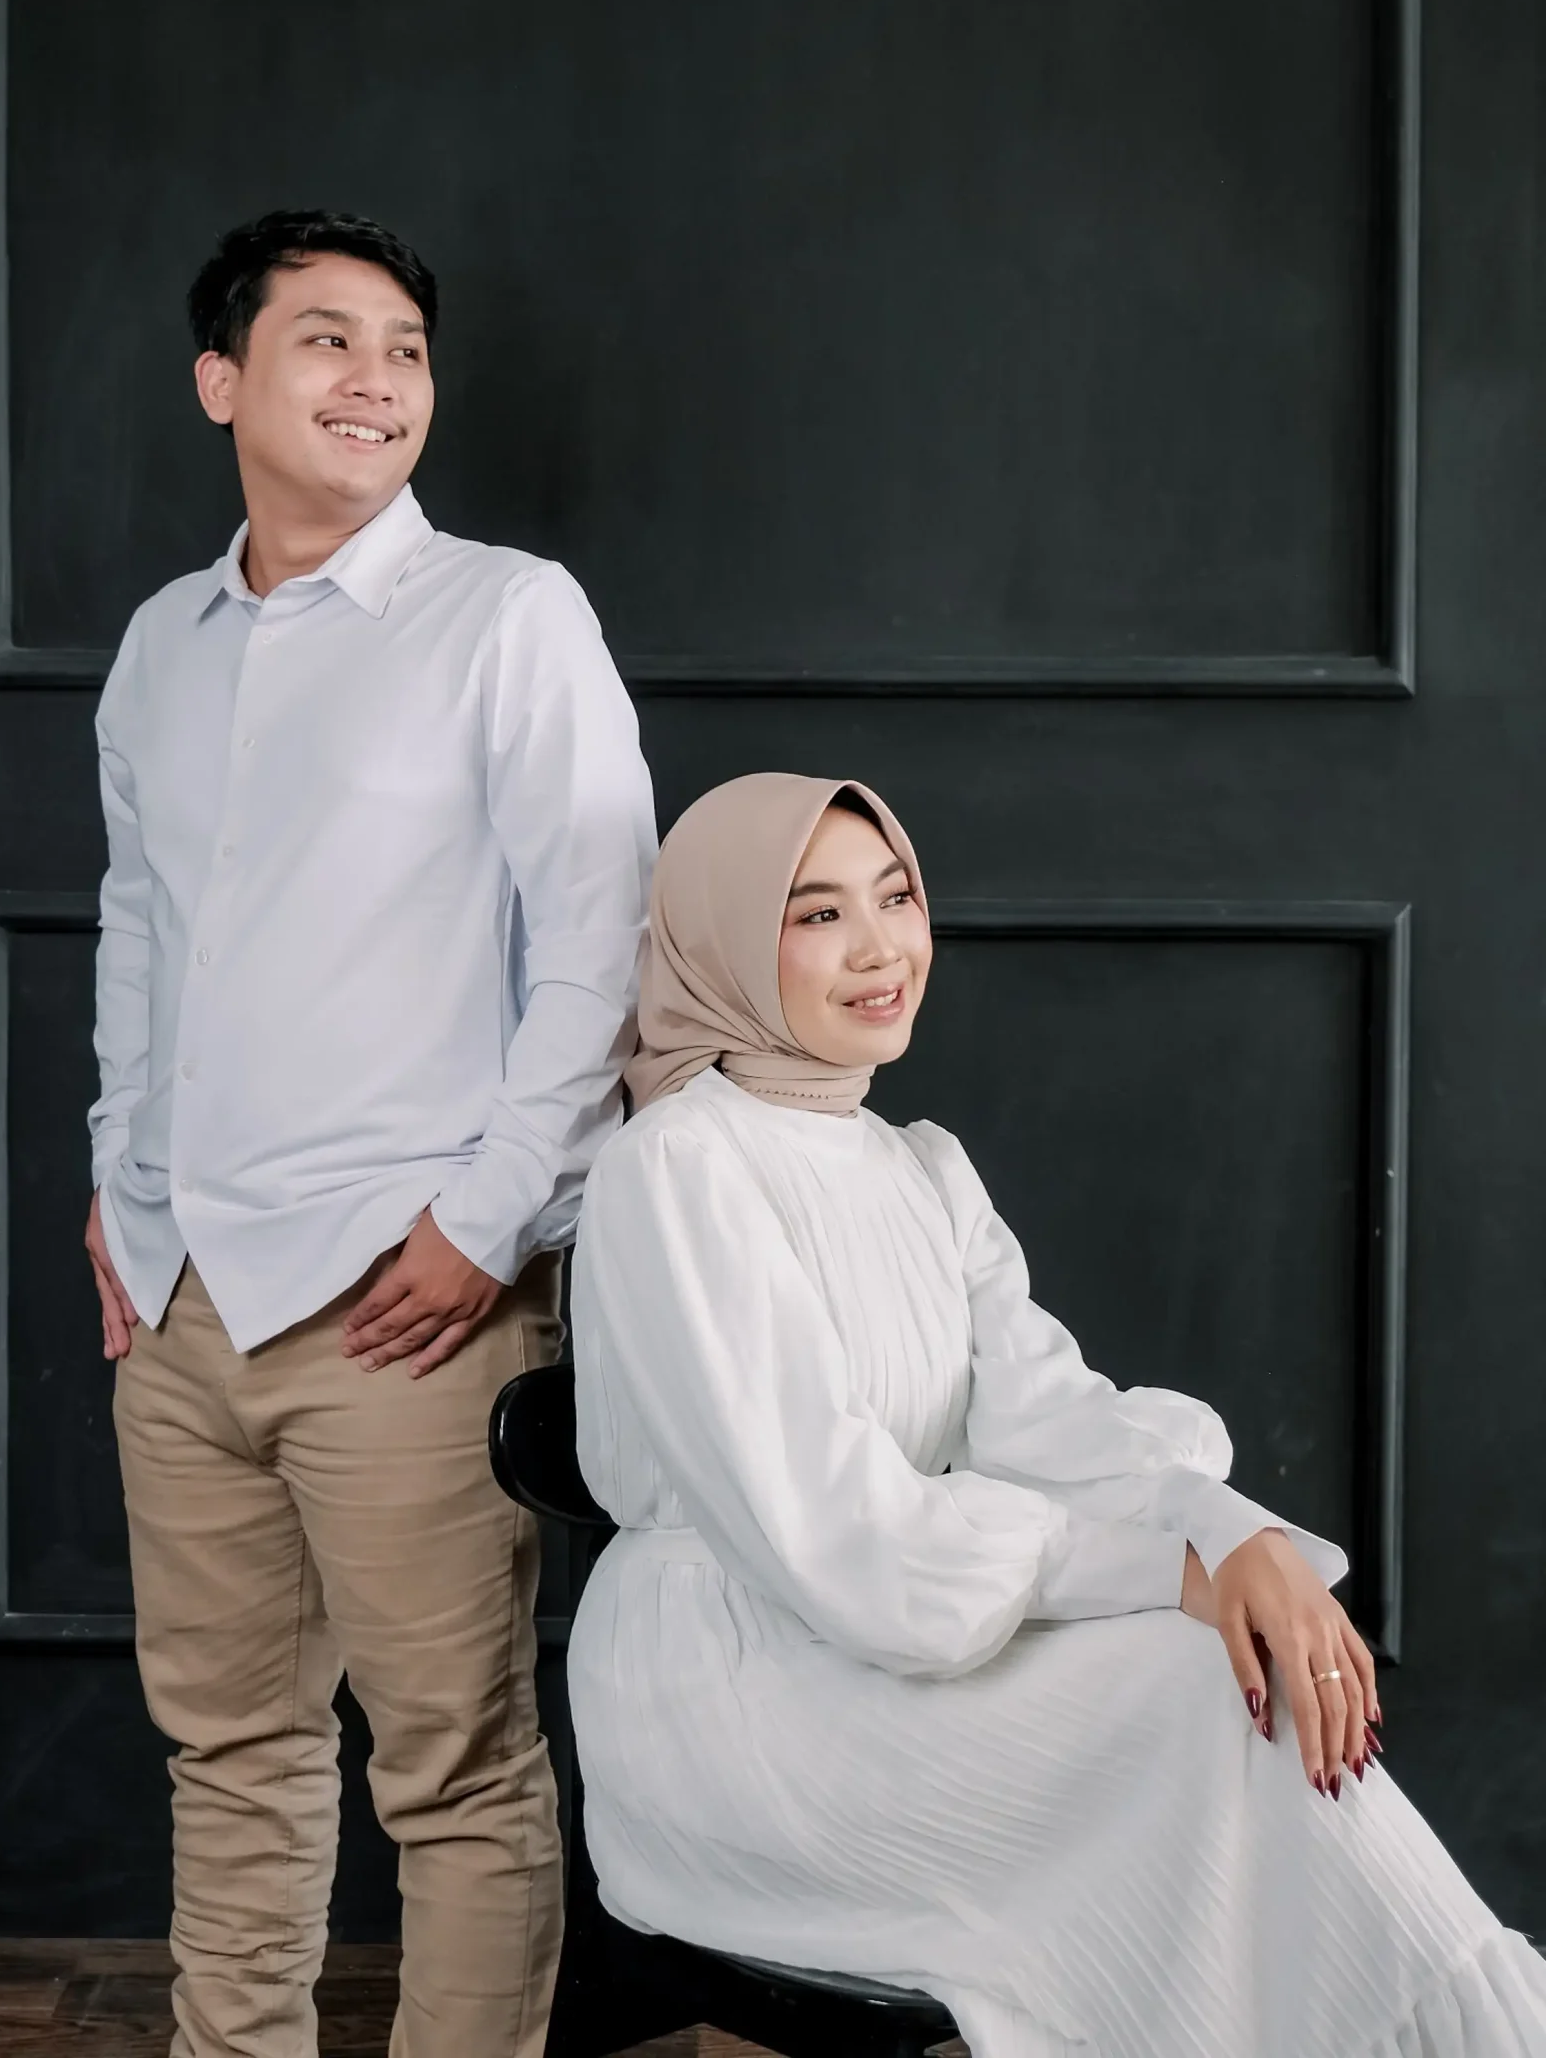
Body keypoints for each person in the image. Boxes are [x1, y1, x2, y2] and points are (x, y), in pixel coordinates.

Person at [567, 773, 1546, 2058]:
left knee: (1224, 1681)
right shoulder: (675, 1167)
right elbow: (839, 1530)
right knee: (1199, 1686)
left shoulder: (920, 1166)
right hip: (736, 1697)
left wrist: (1233, 1536)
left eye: (896, 897)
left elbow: (1055, 1420)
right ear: (727, 943)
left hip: (891, 1641)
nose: (880, 948)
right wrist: (1178, 1573)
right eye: (817, 914)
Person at [84, 208, 656, 2058]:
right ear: (221, 382)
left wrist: (487, 1226)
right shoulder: (160, 648)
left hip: (406, 1300)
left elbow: (600, 947)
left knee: (458, 1778)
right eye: (327, 338)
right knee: (230, 1752)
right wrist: (116, 1177)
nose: (377, 378)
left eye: (404, 349)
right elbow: (139, 928)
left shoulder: (508, 616)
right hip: (181, 1297)